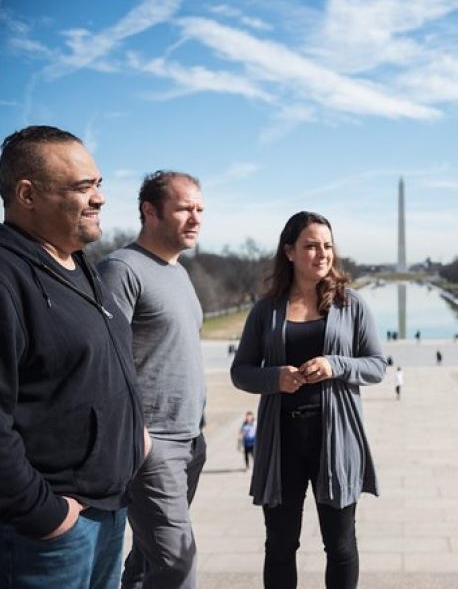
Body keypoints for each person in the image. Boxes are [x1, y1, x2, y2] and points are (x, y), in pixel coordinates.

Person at [0, 125, 148, 587]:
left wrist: (135, 437)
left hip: (107, 510)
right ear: (28, 194)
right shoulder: (8, 277)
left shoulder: (78, 262)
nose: (100, 198)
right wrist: (45, 513)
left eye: (98, 184)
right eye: (83, 187)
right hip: (48, 533)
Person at [230, 211, 386, 589]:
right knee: (280, 545)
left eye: (328, 246)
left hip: (335, 438)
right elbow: (241, 371)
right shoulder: (266, 310)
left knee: (341, 544)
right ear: (289, 251)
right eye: (311, 246)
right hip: (282, 439)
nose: (322, 254)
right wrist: (275, 377)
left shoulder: (352, 305)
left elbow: (377, 366)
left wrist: (336, 365)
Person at [98, 170, 207, 588]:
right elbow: (106, 362)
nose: (195, 218)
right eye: (184, 209)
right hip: (152, 443)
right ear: (150, 210)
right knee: (179, 564)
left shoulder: (178, 272)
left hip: (190, 439)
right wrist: (138, 435)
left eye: (199, 209)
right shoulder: (122, 269)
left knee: (147, 561)